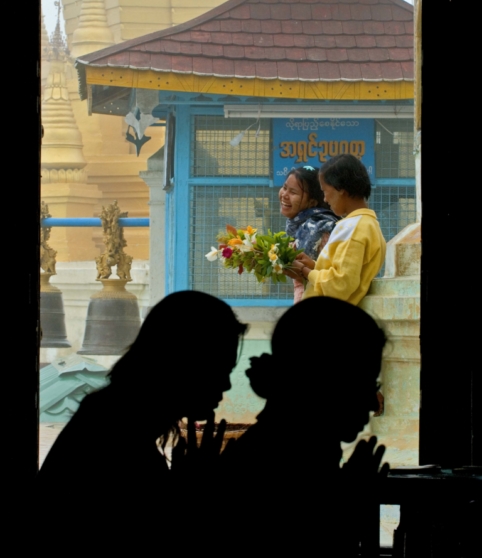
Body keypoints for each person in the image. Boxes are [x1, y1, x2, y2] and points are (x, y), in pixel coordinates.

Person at [38, 291, 247, 536]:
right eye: (218, 370)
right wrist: (192, 493)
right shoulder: (116, 435)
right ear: (183, 364)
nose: (226, 385)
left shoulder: (109, 415)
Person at [221, 297, 388, 553]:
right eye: (361, 383)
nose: (371, 402)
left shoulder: (283, 449)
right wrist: (350, 506)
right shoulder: (284, 466)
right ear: (319, 383)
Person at [288, 154, 386, 305]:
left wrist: (303, 271)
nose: (325, 199)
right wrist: (313, 265)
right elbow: (343, 273)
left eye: (325, 191)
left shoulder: (354, 229)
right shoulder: (367, 225)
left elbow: (340, 285)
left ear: (340, 189)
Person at [279, 165, 338, 302]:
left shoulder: (322, 230)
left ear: (312, 202)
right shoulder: (298, 228)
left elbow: (332, 278)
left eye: (293, 192)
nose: (284, 195)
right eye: (285, 187)